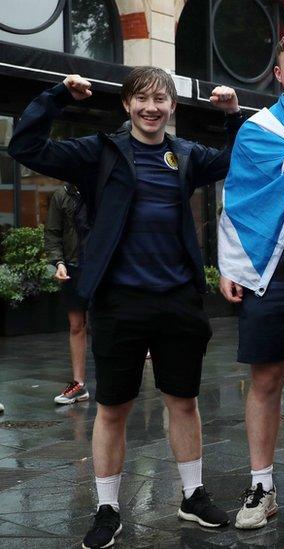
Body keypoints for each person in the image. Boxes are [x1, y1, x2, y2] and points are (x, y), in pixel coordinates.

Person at [9, 67, 243, 549]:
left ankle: (192, 494)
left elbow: (239, 163)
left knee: (184, 401)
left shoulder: (185, 154)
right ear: (127, 106)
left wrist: (232, 117)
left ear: (173, 107)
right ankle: (108, 507)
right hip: (119, 302)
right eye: (142, 99)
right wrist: (56, 97)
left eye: (161, 100)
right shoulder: (101, 151)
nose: (151, 108)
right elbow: (26, 148)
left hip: (178, 298)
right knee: (113, 407)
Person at [44, 182, 90, 405]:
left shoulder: (101, 188)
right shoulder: (61, 195)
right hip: (73, 265)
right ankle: (79, 384)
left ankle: (117, 383)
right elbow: (52, 233)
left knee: (106, 323)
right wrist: (59, 263)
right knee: (76, 324)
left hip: (101, 266)